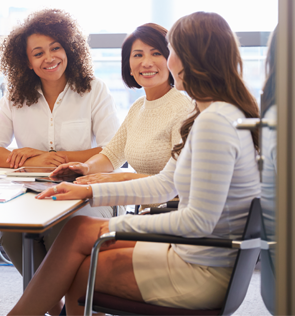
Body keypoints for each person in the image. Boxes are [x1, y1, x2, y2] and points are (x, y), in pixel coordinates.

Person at [8, 11, 261, 315]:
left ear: (190, 58)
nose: (168, 60)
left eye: (171, 51)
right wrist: (87, 192)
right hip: (198, 255)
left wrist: (111, 226)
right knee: (78, 230)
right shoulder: (212, 114)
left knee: (81, 260)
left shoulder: (214, 122)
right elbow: (165, 184)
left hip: (201, 270)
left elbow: (197, 222)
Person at [0, 8, 120, 316]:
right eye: (38, 52)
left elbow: (113, 151)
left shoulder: (94, 90)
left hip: (84, 192)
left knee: (62, 229)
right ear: (26, 61)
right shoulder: (15, 97)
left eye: (56, 48)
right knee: (12, 235)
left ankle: (77, 307)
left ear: (69, 48)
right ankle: (55, 309)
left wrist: (61, 158)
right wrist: (28, 157)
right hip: (32, 193)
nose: (49, 57)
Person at [51, 23, 193, 210]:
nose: (147, 62)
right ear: (129, 66)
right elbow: (112, 155)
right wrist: (86, 168)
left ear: (171, 60)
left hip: (171, 215)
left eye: (156, 53)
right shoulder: (138, 107)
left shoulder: (183, 109)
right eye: (138, 55)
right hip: (146, 213)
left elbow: (177, 183)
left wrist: (118, 178)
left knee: (79, 229)